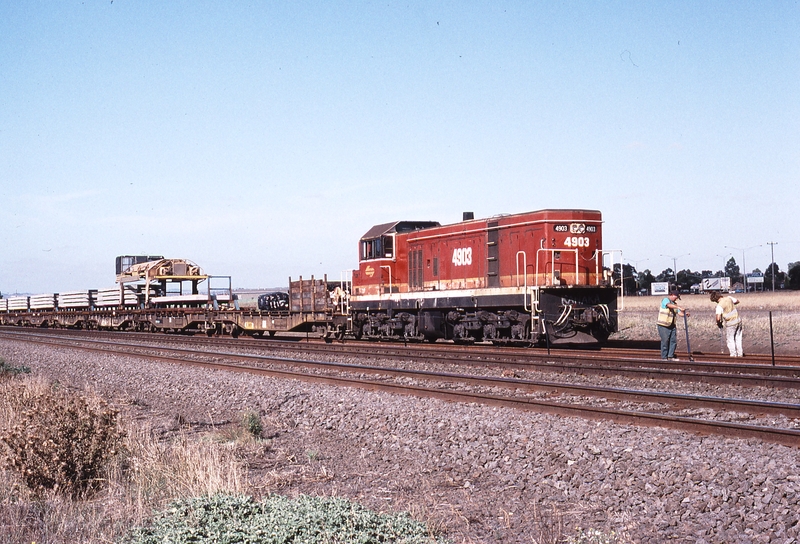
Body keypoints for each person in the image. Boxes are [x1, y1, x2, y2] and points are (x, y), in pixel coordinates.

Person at [657, 289, 689, 360]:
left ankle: (670, 356)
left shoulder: (674, 304)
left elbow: (678, 312)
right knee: (665, 341)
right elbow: (668, 305)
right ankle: (664, 357)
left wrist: (684, 314)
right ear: (672, 295)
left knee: (673, 341)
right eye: (676, 297)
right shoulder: (665, 300)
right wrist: (678, 307)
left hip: (672, 325)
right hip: (663, 325)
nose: (676, 298)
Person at [710, 291, 743, 357]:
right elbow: (737, 301)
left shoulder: (719, 306)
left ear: (715, 299)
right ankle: (740, 354)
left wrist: (719, 324)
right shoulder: (729, 298)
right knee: (738, 338)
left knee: (730, 340)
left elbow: (718, 318)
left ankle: (733, 355)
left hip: (731, 323)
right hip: (738, 321)